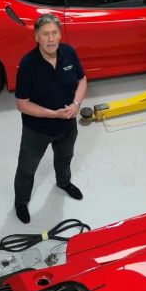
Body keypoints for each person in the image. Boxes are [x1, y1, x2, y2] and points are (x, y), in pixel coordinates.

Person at [12, 14, 87, 224]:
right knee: (27, 169)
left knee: (64, 158)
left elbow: (82, 80)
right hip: (37, 130)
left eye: (54, 33)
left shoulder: (68, 53)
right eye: (45, 34)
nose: (51, 39)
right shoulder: (28, 64)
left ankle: (64, 183)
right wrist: (52, 114)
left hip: (67, 125)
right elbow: (22, 103)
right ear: (36, 37)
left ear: (60, 34)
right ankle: (21, 202)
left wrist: (76, 105)